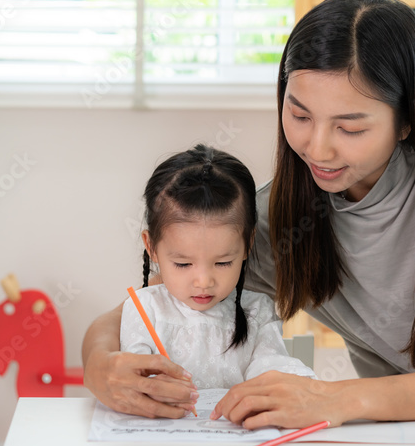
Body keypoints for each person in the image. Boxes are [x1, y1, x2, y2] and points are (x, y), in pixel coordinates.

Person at [83, 0, 415, 429]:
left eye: (350, 127)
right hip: (410, 428)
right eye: (299, 115)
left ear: (407, 118)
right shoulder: (278, 218)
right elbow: (134, 311)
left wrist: (338, 399)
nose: (317, 148)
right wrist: (101, 367)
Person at [120, 144, 314, 402]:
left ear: (247, 244)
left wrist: (297, 385)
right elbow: (135, 377)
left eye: (222, 263)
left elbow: (271, 369)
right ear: (151, 247)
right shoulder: (144, 310)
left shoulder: (258, 312)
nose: (204, 281)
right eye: (183, 264)